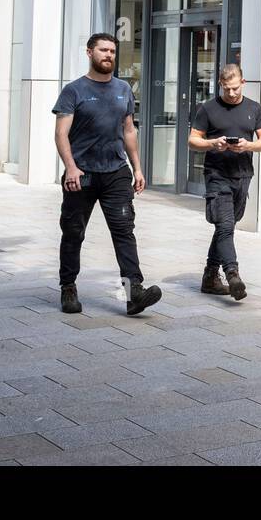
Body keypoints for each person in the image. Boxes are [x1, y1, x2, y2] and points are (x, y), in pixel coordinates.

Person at [54, 33, 161, 316]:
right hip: (82, 174)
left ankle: (133, 292)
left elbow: (128, 130)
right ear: (89, 52)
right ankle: (68, 287)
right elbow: (61, 133)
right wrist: (71, 167)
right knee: (74, 232)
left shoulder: (123, 89)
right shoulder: (73, 91)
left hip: (116, 172)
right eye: (103, 50)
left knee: (124, 232)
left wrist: (137, 167)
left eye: (113, 51)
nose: (109, 55)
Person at [188, 63, 261, 301]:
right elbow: (193, 140)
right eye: (226, 89)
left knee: (226, 227)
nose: (231, 93)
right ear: (220, 85)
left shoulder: (254, 108)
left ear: (242, 83)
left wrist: (248, 145)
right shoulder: (208, 109)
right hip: (217, 175)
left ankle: (210, 277)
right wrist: (214, 143)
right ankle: (232, 274)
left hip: (243, 175)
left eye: (235, 88)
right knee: (225, 226)